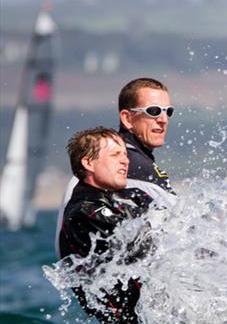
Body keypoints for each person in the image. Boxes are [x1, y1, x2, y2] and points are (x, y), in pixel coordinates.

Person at [55, 78, 176, 256]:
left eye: (168, 112)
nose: (163, 119)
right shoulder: (87, 206)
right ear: (127, 118)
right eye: (153, 111)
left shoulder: (118, 173)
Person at [59, 127, 152, 324]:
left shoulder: (133, 195)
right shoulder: (83, 211)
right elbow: (141, 246)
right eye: (115, 155)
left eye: (126, 155)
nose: (125, 161)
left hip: (158, 312)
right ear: (88, 163)